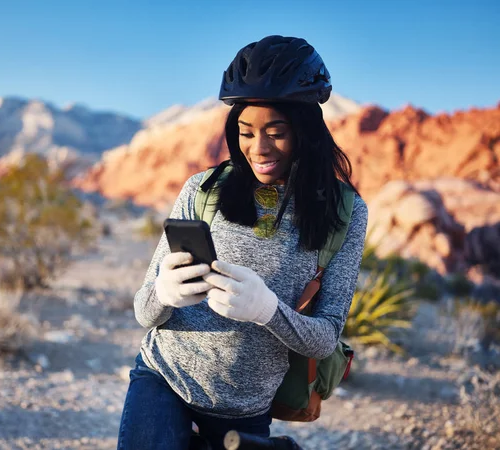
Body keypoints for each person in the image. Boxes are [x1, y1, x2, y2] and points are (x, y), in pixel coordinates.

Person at [117, 35, 368, 450]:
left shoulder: (345, 212)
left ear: (305, 131)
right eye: (246, 132)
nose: (259, 148)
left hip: (247, 408)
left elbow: (325, 337)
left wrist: (267, 310)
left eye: (276, 132)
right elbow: (145, 311)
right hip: (164, 379)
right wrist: (163, 291)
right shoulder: (202, 189)